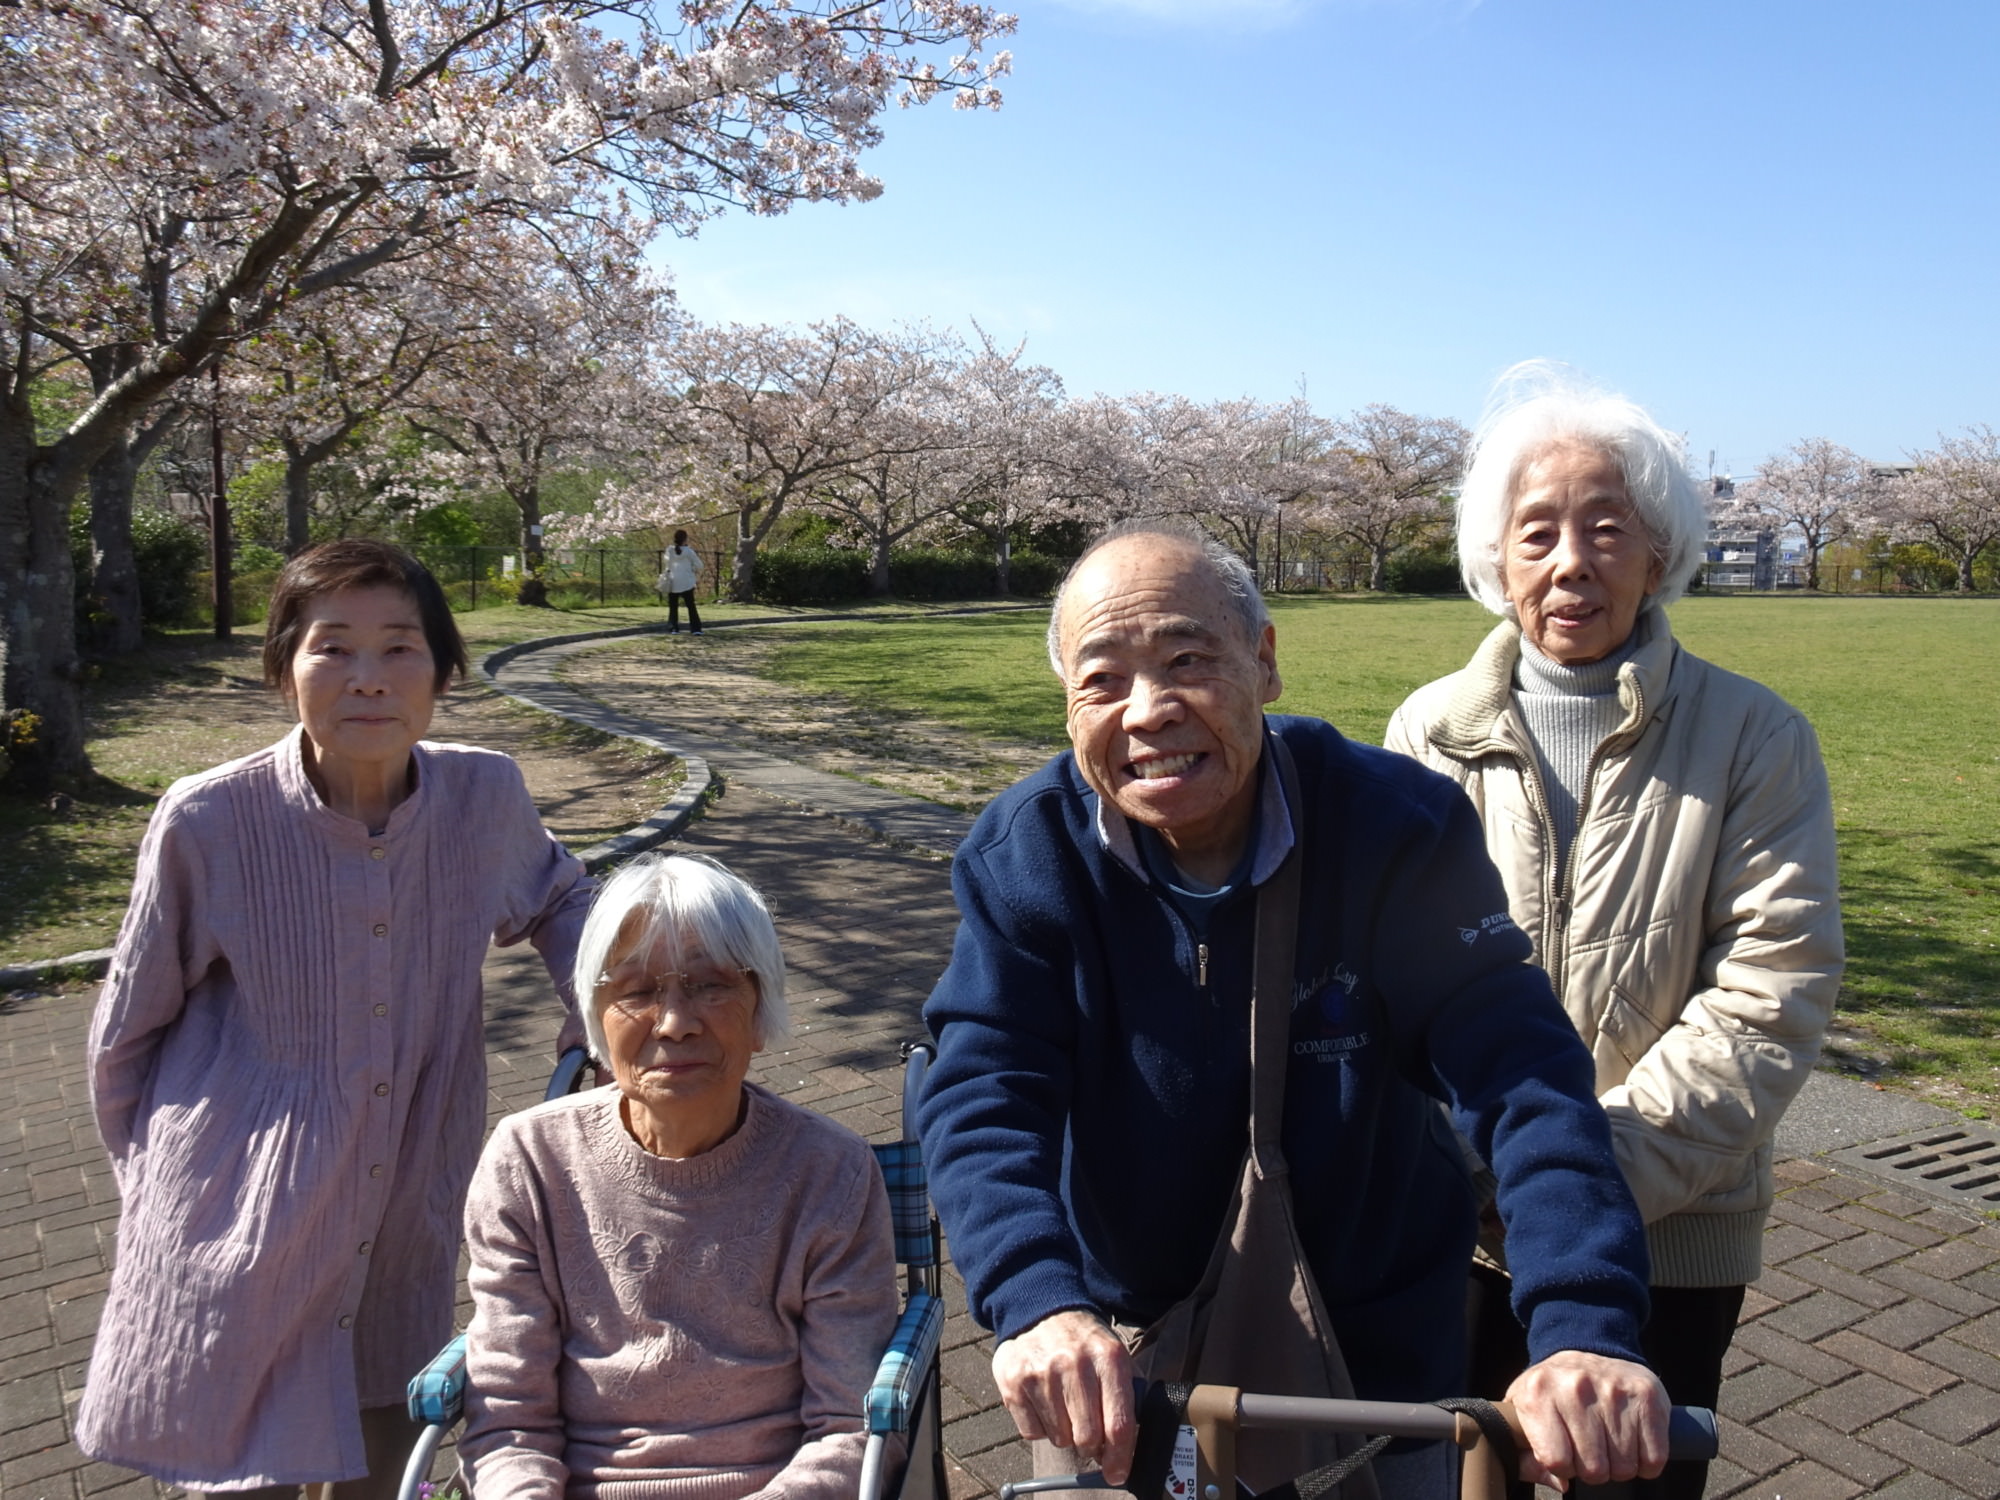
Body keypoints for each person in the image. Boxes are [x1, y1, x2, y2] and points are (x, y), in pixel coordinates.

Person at [919, 523, 1670, 1500]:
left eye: (1187, 659)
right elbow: (982, 1088)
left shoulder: (1393, 827)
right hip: (1119, 1352)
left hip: (1374, 1360)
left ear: (1264, 662)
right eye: (1101, 680)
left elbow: (1519, 1072)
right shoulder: (1028, 855)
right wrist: (1035, 1305)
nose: (1146, 711)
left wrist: (1581, 1326)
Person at [1384, 366, 1842, 1500]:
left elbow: (1769, 985)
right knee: (1441, 1476)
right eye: (1534, 532)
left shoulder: (1752, 737)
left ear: (1658, 551)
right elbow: (1381, 975)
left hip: (1667, 1218)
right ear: (1497, 557)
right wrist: (1478, 1164)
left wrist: (1580, 1179)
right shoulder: (1426, 730)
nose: (1569, 562)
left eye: (1605, 529)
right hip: (1459, 1216)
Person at [77, 539, 594, 1498]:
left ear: (441, 670)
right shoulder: (210, 819)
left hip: (404, 1220)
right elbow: (126, 1037)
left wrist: (595, 1004)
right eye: (331, 648)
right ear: (285, 669)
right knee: (245, 1478)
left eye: (400, 648)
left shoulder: (485, 796)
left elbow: (567, 900)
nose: (368, 680)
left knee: (392, 1464)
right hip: (240, 1225)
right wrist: (160, 1195)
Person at [459, 853, 899, 1497]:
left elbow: (848, 1428)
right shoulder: (528, 1161)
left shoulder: (830, 1172)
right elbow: (507, 1422)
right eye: (636, 991)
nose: (674, 1021)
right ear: (595, 1016)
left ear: (759, 1010)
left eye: (712, 984)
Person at [660, 528, 705, 635]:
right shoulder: (689, 551)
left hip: (673, 581)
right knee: (691, 606)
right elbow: (700, 565)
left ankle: (673, 627)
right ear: (685, 539)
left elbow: (666, 562)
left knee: (673, 606)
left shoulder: (670, 550)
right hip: (687, 582)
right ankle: (696, 629)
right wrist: (692, 569)